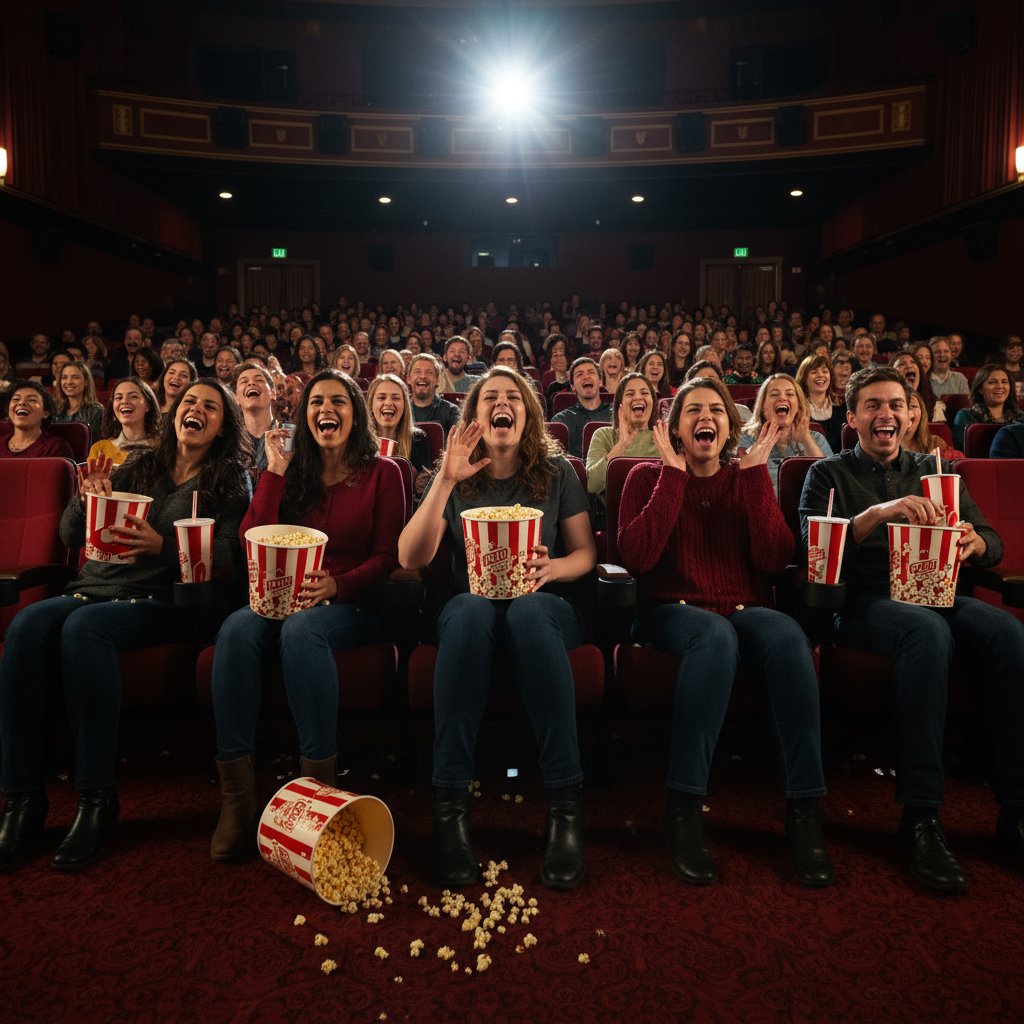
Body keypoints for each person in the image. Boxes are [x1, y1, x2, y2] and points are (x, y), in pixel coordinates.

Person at [0, 379, 252, 872]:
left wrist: (163, 545)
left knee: (83, 630)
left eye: (210, 407)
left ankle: (96, 798)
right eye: (189, 403)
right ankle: (22, 800)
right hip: (94, 587)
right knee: (29, 624)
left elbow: (232, 553)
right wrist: (85, 496)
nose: (195, 410)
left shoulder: (228, 478)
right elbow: (72, 534)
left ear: (223, 425)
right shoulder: (139, 465)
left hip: (164, 598)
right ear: (175, 414)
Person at [800, 365, 1024, 892]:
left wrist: (975, 544)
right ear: (851, 417)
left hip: (940, 593)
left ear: (910, 413)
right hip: (863, 602)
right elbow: (812, 545)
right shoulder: (827, 473)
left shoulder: (936, 470)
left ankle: (1015, 807)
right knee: (928, 634)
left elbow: (992, 539)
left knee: (1008, 634)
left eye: (897, 405)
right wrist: (880, 512)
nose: (887, 414)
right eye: (874, 405)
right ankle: (921, 816)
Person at [617, 377, 833, 886]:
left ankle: (804, 811)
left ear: (731, 427)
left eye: (715, 410)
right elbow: (639, 558)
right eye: (692, 411)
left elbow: (777, 559)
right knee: (715, 636)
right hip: (669, 610)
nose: (704, 418)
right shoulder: (644, 477)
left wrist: (758, 481)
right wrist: (673, 478)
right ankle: (684, 808)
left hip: (745, 606)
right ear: (675, 427)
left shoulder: (749, 477)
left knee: (786, 636)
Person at [398, 366, 596, 890]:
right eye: (491, 397)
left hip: (547, 605)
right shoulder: (455, 473)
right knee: (468, 608)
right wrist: (445, 478)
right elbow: (410, 555)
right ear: (476, 414)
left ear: (528, 413)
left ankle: (565, 807)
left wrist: (553, 569)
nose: (502, 403)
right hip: (472, 608)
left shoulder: (559, 472)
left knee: (530, 610)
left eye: (514, 397)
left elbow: (585, 554)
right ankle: (451, 807)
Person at [209, 369, 404, 862]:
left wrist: (338, 585)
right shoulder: (289, 471)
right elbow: (251, 539)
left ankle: (319, 793)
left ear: (355, 414)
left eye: (339, 402)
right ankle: (237, 796)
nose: (326, 411)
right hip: (284, 598)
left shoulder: (384, 472)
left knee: (301, 630)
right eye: (317, 402)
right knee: (235, 629)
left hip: (354, 604)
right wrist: (273, 470)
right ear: (305, 415)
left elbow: (387, 559)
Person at [738, 374, 831, 495]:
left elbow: (829, 484)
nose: (782, 398)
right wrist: (763, 445)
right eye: (774, 394)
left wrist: (806, 440)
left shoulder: (816, 439)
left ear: (798, 406)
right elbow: (741, 484)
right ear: (763, 406)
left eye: (790, 394)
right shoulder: (745, 438)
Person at [586, 373, 660, 509]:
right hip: (612, 516)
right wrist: (622, 445)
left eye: (644, 392)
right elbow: (592, 485)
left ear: (653, 403)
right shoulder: (603, 435)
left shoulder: (663, 439)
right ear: (620, 406)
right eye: (630, 394)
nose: (638, 397)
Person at [367, 372, 432, 496]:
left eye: (395, 398)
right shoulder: (360, 440)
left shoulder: (418, 439)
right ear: (371, 405)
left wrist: (420, 486)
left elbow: (424, 486)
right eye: (381, 398)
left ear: (404, 406)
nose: (388, 403)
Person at [87, 377, 162, 464]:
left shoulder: (162, 447)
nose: (124, 401)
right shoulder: (100, 449)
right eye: (119, 397)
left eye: (133, 396)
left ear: (148, 406)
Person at [951, 364, 1024, 450]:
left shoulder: (1020, 418)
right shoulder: (965, 416)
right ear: (980, 389)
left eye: (1004, 382)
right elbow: (961, 452)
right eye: (992, 382)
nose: (1000, 386)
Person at [551, 357, 613, 459]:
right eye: (579, 374)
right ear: (572, 386)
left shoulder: (618, 415)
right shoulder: (562, 420)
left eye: (591, 372)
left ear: (600, 381)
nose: (586, 377)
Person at [1, 381, 75, 459]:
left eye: (32, 400)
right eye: (16, 399)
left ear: (46, 413)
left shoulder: (56, 448)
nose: (21, 402)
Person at [234, 360, 279, 474]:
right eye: (244, 382)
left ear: (273, 393)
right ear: (237, 398)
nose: (251, 383)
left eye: (259, 380)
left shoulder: (290, 437)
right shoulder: (229, 443)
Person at [795, 354, 843, 453]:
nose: (821, 375)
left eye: (825, 371)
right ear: (804, 378)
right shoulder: (796, 409)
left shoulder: (843, 406)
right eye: (814, 372)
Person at [407, 353, 460, 436]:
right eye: (417, 372)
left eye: (429, 373)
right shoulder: (401, 411)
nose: (422, 376)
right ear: (408, 379)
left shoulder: (451, 411)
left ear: (437, 380)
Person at [903, 391, 963, 462]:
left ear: (922, 413)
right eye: (899, 406)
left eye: (913, 406)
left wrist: (942, 456)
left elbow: (961, 461)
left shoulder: (935, 443)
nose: (907, 412)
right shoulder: (887, 447)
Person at [53, 361, 104, 443]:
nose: (69, 382)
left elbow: (95, 444)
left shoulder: (95, 410)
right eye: (64, 377)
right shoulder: (55, 411)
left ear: (86, 381)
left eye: (75, 377)